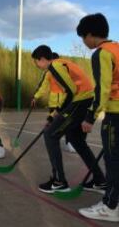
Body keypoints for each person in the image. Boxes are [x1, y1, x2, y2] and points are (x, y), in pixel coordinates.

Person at [31, 45, 106, 193]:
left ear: (43, 59)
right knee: (76, 139)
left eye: (36, 62)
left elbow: (71, 92)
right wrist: (55, 115)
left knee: (50, 135)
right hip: (84, 100)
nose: (36, 65)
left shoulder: (54, 66)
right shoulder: (62, 62)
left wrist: (57, 112)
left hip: (80, 101)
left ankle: (59, 182)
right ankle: (99, 180)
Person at [76, 13, 119, 222]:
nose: (84, 42)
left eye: (83, 38)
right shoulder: (117, 48)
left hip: (115, 115)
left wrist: (90, 117)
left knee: (113, 162)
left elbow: (102, 90)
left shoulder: (101, 53)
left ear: (91, 35)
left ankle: (111, 206)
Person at [32, 52, 76, 153]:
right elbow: (43, 87)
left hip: (64, 102)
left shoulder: (63, 71)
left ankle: (68, 143)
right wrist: (36, 97)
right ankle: (52, 141)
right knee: (53, 124)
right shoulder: (48, 73)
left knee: (67, 123)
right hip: (53, 103)